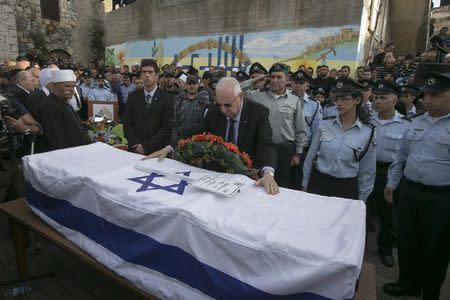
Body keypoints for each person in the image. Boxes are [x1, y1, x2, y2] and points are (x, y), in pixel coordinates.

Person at [144, 77, 279, 195]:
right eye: (219, 104)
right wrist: (169, 147)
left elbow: (266, 144)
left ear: (241, 96)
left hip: (246, 178)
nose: (223, 110)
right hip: (217, 177)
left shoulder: (258, 112)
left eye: (228, 105)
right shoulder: (215, 111)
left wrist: (268, 173)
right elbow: (195, 131)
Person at [383, 64, 450, 299]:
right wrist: (392, 183)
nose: (428, 101)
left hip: (441, 199)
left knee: (436, 249)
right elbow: (401, 156)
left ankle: (430, 293)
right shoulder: (418, 122)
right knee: (407, 242)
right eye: (426, 96)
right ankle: (406, 283)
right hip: (410, 191)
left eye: (436, 95)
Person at [302, 79, 376, 201]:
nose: (339, 103)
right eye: (337, 99)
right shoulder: (325, 125)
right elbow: (310, 157)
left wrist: (362, 199)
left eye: (344, 98)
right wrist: (305, 183)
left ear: (357, 100)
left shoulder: (368, 132)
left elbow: (367, 170)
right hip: (318, 182)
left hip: (345, 187)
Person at [367, 81, 411, 268]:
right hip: (366, 171)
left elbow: (404, 157)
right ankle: (356, 247)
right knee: (362, 212)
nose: (377, 101)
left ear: (394, 99)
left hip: (389, 174)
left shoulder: (406, 125)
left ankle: (385, 250)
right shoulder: (367, 120)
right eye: (375, 97)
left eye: (382, 98)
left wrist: (394, 181)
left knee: (388, 216)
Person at [246, 63, 307, 188]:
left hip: (284, 151)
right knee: (258, 185)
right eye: (272, 77)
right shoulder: (257, 96)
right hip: (262, 149)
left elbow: (300, 129)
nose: (275, 80)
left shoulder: (294, 100)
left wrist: (298, 153)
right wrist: (254, 80)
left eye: (279, 77)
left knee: (282, 186)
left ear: (287, 79)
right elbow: (238, 90)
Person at [123, 59, 174, 155]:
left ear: (157, 76)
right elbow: (126, 123)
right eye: (144, 72)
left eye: (150, 72)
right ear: (141, 75)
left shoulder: (167, 99)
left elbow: (166, 128)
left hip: (157, 152)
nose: (147, 75)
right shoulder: (132, 96)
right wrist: (136, 144)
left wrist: (146, 146)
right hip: (135, 150)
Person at [35, 70, 89, 153]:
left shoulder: (64, 101)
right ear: (54, 86)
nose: (72, 90)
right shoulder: (49, 105)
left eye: (73, 86)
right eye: (67, 86)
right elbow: (56, 138)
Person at [290, 70, 322, 189]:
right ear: (291, 83)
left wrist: (310, 154)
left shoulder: (315, 105)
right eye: (295, 82)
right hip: (287, 147)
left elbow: (316, 132)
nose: (298, 85)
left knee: (298, 183)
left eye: (301, 82)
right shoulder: (285, 99)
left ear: (307, 85)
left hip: (304, 150)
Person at [171, 75, 210, 143]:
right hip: (180, 140)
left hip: (198, 141)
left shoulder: (204, 103)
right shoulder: (179, 102)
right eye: (189, 84)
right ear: (186, 85)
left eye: (194, 84)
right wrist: (175, 140)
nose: (192, 86)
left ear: (198, 85)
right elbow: (174, 123)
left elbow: (207, 125)